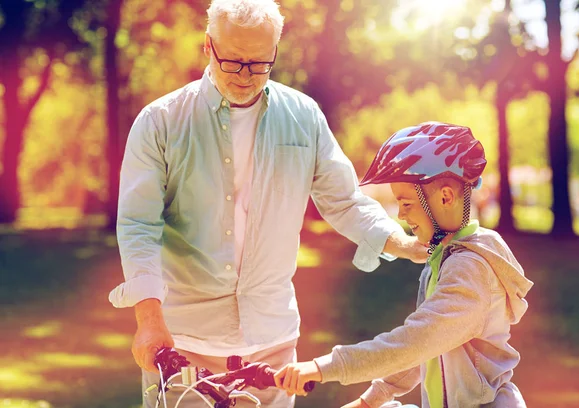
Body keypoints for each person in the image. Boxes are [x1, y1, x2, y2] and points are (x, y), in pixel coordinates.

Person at [108, 0, 427, 406]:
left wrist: (405, 245)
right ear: (208, 46)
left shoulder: (304, 116)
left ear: (275, 51)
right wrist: (148, 321)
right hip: (184, 347)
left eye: (259, 64)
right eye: (233, 61)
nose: (245, 75)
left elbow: (344, 201)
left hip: (272, 344)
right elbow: (138, 224)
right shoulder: (160, 122)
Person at [274, 122, 534, 408]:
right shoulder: (447, 257)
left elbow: (415, 343)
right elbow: (430, 347)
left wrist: (326, 367)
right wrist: (372, 400)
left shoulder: (470, 269)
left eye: (407, 203)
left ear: (445, 197)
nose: (400, 214)